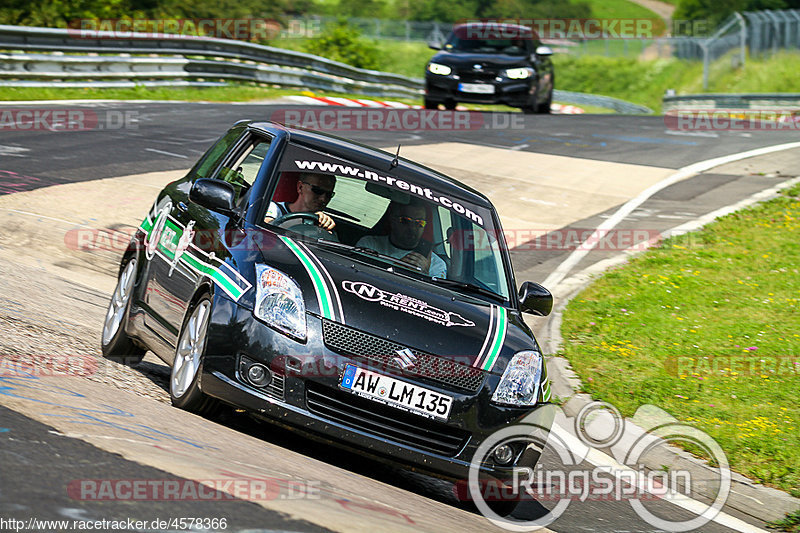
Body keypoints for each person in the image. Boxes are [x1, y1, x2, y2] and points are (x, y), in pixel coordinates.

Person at [357, 200, 447, 278]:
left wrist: (424, 276)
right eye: (405, 221)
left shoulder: (436, 265)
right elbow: (356, 274)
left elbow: (431, 296)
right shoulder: (369, 245)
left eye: (419, 223)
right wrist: (396, 269)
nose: (412, 228)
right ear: (392, 221)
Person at [265, 173, 336, 231]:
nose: (323, 199)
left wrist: (326, 229)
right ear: (300, 187)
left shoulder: (322, 221)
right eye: (317, 190)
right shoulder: (274, 208)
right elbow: (266, 228)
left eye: (329, 195)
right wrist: (304, 220)